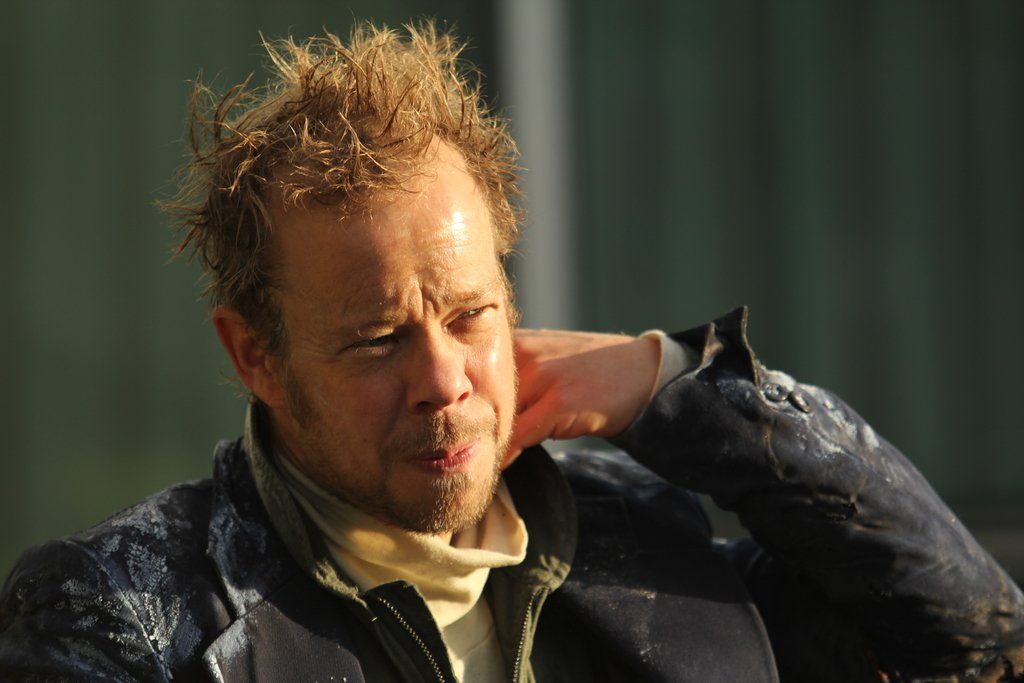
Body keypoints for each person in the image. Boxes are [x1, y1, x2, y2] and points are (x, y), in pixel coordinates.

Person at [1, 21, 1022, 682]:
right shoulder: (122, 617)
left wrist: (674, 386)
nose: (443, 380)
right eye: (377, 339)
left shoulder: (649, 547)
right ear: (254, 355)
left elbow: (971, 637)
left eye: (470, 315)